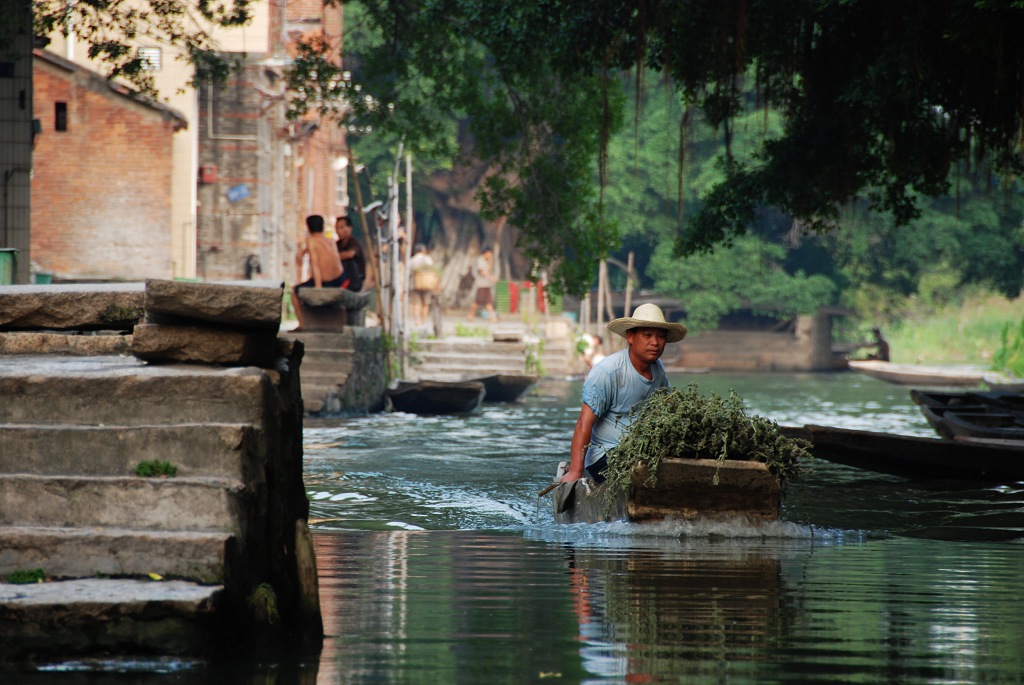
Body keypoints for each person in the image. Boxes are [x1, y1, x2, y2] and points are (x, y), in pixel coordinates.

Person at [560, 303, 687, 484]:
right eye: (647, 335)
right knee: (640, 477)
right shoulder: (608, 372)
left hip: (642, 454)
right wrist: (575, 470)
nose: (655, 342)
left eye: (660, 336)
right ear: (630, 336)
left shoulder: (658, 369)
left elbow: (667, 411)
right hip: (607, 456)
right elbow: (583, 423)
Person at [291, 215, 345, 332]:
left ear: (308, 228)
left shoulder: (310, 241)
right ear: (322, 227)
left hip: (325, 281)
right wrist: (303, 252)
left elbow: (315, 264)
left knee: (294, 292)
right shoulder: (330, 240)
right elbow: (318, 248)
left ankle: (302, 324)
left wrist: (318, 287)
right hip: (340, 278)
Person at [335, 215, 368, 291]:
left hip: (355, 281)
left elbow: (350, 254)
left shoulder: (353, 242)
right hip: (341, 278)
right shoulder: (337, 244)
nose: (338, 231)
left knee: (348, 262)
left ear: (349, 228)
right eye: (337, 228)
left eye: (341, 228)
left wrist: (333, 257)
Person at [408, 243, 437, 328]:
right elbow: (433, 270)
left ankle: (417, 321)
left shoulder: (412, 260)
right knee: (425, 303)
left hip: (415, 283)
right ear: (423, 251)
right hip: (427, 283)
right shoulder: (428, 259)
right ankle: (424, 321)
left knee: (416, 303)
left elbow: (409, 271)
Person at [467, 245, 498, 321]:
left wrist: (490, 261)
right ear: (486, 253)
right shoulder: (480, 260)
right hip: (481, 284)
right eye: (490, 254)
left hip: (486, 284)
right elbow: (482, 272)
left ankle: (493, 317)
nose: (491, 255)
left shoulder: (486, 261)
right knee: (477, 301)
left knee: (488, 302)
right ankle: (470, 315)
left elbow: (489, 270)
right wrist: (491, 278)